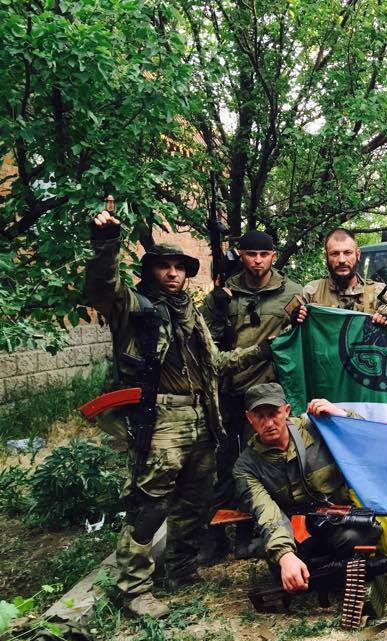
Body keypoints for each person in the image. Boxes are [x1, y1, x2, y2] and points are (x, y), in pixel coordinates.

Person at [84, 204, 269, 618]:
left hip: (202, 416)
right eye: (163, 266)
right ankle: (135, 590)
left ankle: (181, 571)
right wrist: (106, 244)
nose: (171, 273)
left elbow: (216, 363)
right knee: (150, 505)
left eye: (178, 267)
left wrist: (262, 350)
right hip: (162, 420)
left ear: (187, 273)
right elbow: (101, 289)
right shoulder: (134, 308)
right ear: (151, 271)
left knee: (197, 499)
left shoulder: (191, 313)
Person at [200, 229, 303, 564]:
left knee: (264, 464)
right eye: (251, 254)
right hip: (230, 391)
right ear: (241, 255)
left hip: (268, 395)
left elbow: (306, 337)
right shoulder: (225, 293)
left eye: (264, 255)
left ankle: (255, 533)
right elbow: (205, 341)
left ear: (273, 256)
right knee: (224, 464)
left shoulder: (293, 293)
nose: (257, 261)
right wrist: (216, 308)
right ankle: (216, 537)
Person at [233, 383, 370, 593]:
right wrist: (285, 555)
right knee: (282, 568)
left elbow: (369, 437)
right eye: (260, 416)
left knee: (356, 537)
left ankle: (332, 567)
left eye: (274, 413)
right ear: (249, 418)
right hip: (293, 529)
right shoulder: (246, 466)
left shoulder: (318, 428)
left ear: (286, 411)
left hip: (333, 519)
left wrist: (341, 415)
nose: (269, 423)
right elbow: (267, 513)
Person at [296, 228, 387, 324]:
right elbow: (288, 334)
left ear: (358, 255)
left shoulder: (379, 293)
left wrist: (386, 321)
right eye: (335, 254)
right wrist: (296, 321)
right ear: (326, 257)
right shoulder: (311, 292)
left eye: (347, 253)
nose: (342, 260)